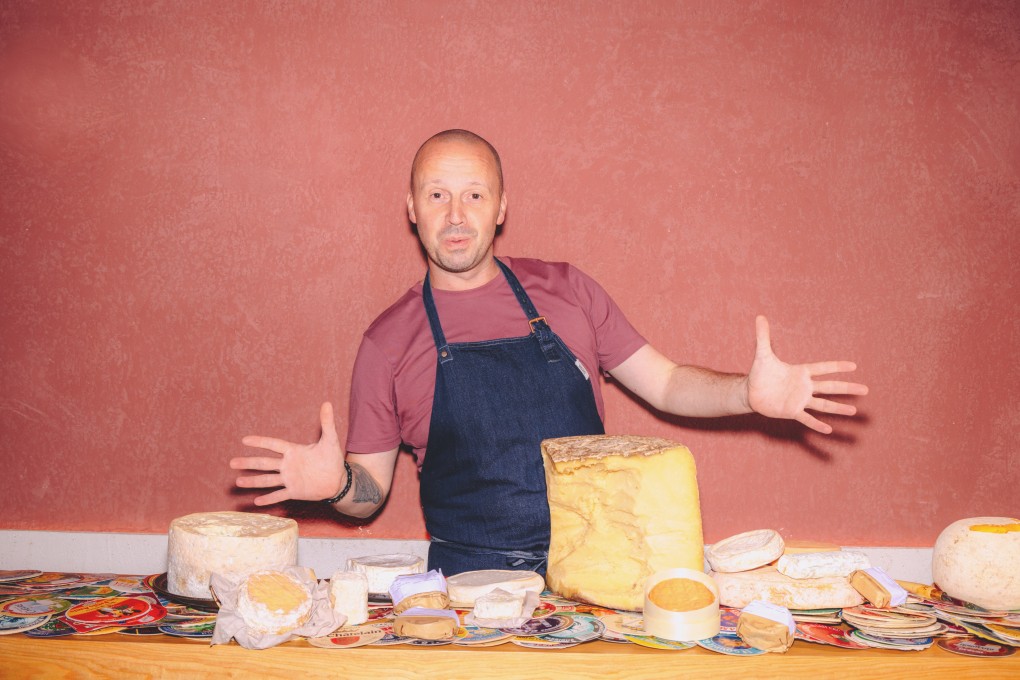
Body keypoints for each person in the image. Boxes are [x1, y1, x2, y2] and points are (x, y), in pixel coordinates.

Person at [230, 129, 868, 576]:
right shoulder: (387, 340)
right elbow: (367, 492)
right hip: (465, 594)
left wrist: (747, 395)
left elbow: (668, 384)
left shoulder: (567, 291)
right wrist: (334, 484)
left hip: (601, 575)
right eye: (437, 194)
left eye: (474, 194)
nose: (456, 213)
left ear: (501, 207)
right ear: (412, 211)